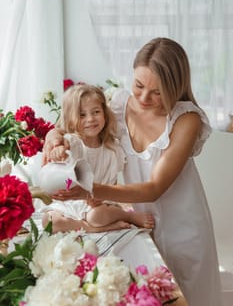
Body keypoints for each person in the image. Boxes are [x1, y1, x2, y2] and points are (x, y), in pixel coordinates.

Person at [43, 37, 222, 306]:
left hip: (182, 229)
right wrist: (52, 137)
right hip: (136, 222)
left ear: (175, 86)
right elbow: (67, 123)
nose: (143, 98)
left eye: (157, 91)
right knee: (142, 295)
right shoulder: (117, 103)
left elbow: (155, 187)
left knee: (187, 299)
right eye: (138, 85)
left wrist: (91, 188)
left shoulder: (187, 119)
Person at [42, 84, 154, 233]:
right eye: (82, 115)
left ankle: (127, 216)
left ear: (105, 114)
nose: (90, 119)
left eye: (96, 112)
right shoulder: (72, 143)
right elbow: (59, 149)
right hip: (70, 206)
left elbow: (112, 184)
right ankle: (93, 229)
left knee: (96, 216)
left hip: (97, 205)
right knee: (49, 222)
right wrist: (58, 150)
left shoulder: (112, 149)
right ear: (71, 119)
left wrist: (103, 198)